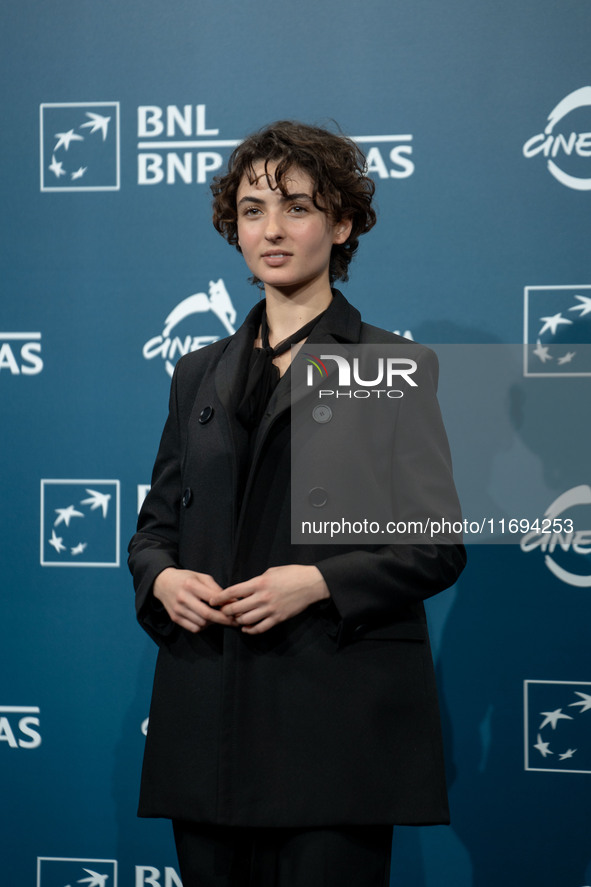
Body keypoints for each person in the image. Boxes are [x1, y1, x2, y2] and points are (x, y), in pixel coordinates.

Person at [128, 120, 466, 887]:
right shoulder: (195, 373)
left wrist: (315, 583)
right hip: (207, 723)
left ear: (341, 223)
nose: (271, 230)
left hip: (331, 727)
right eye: (251, 210)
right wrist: (162, 579)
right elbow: (155, 528)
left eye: (296, 207)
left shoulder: (389, 365)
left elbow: (436, 545)